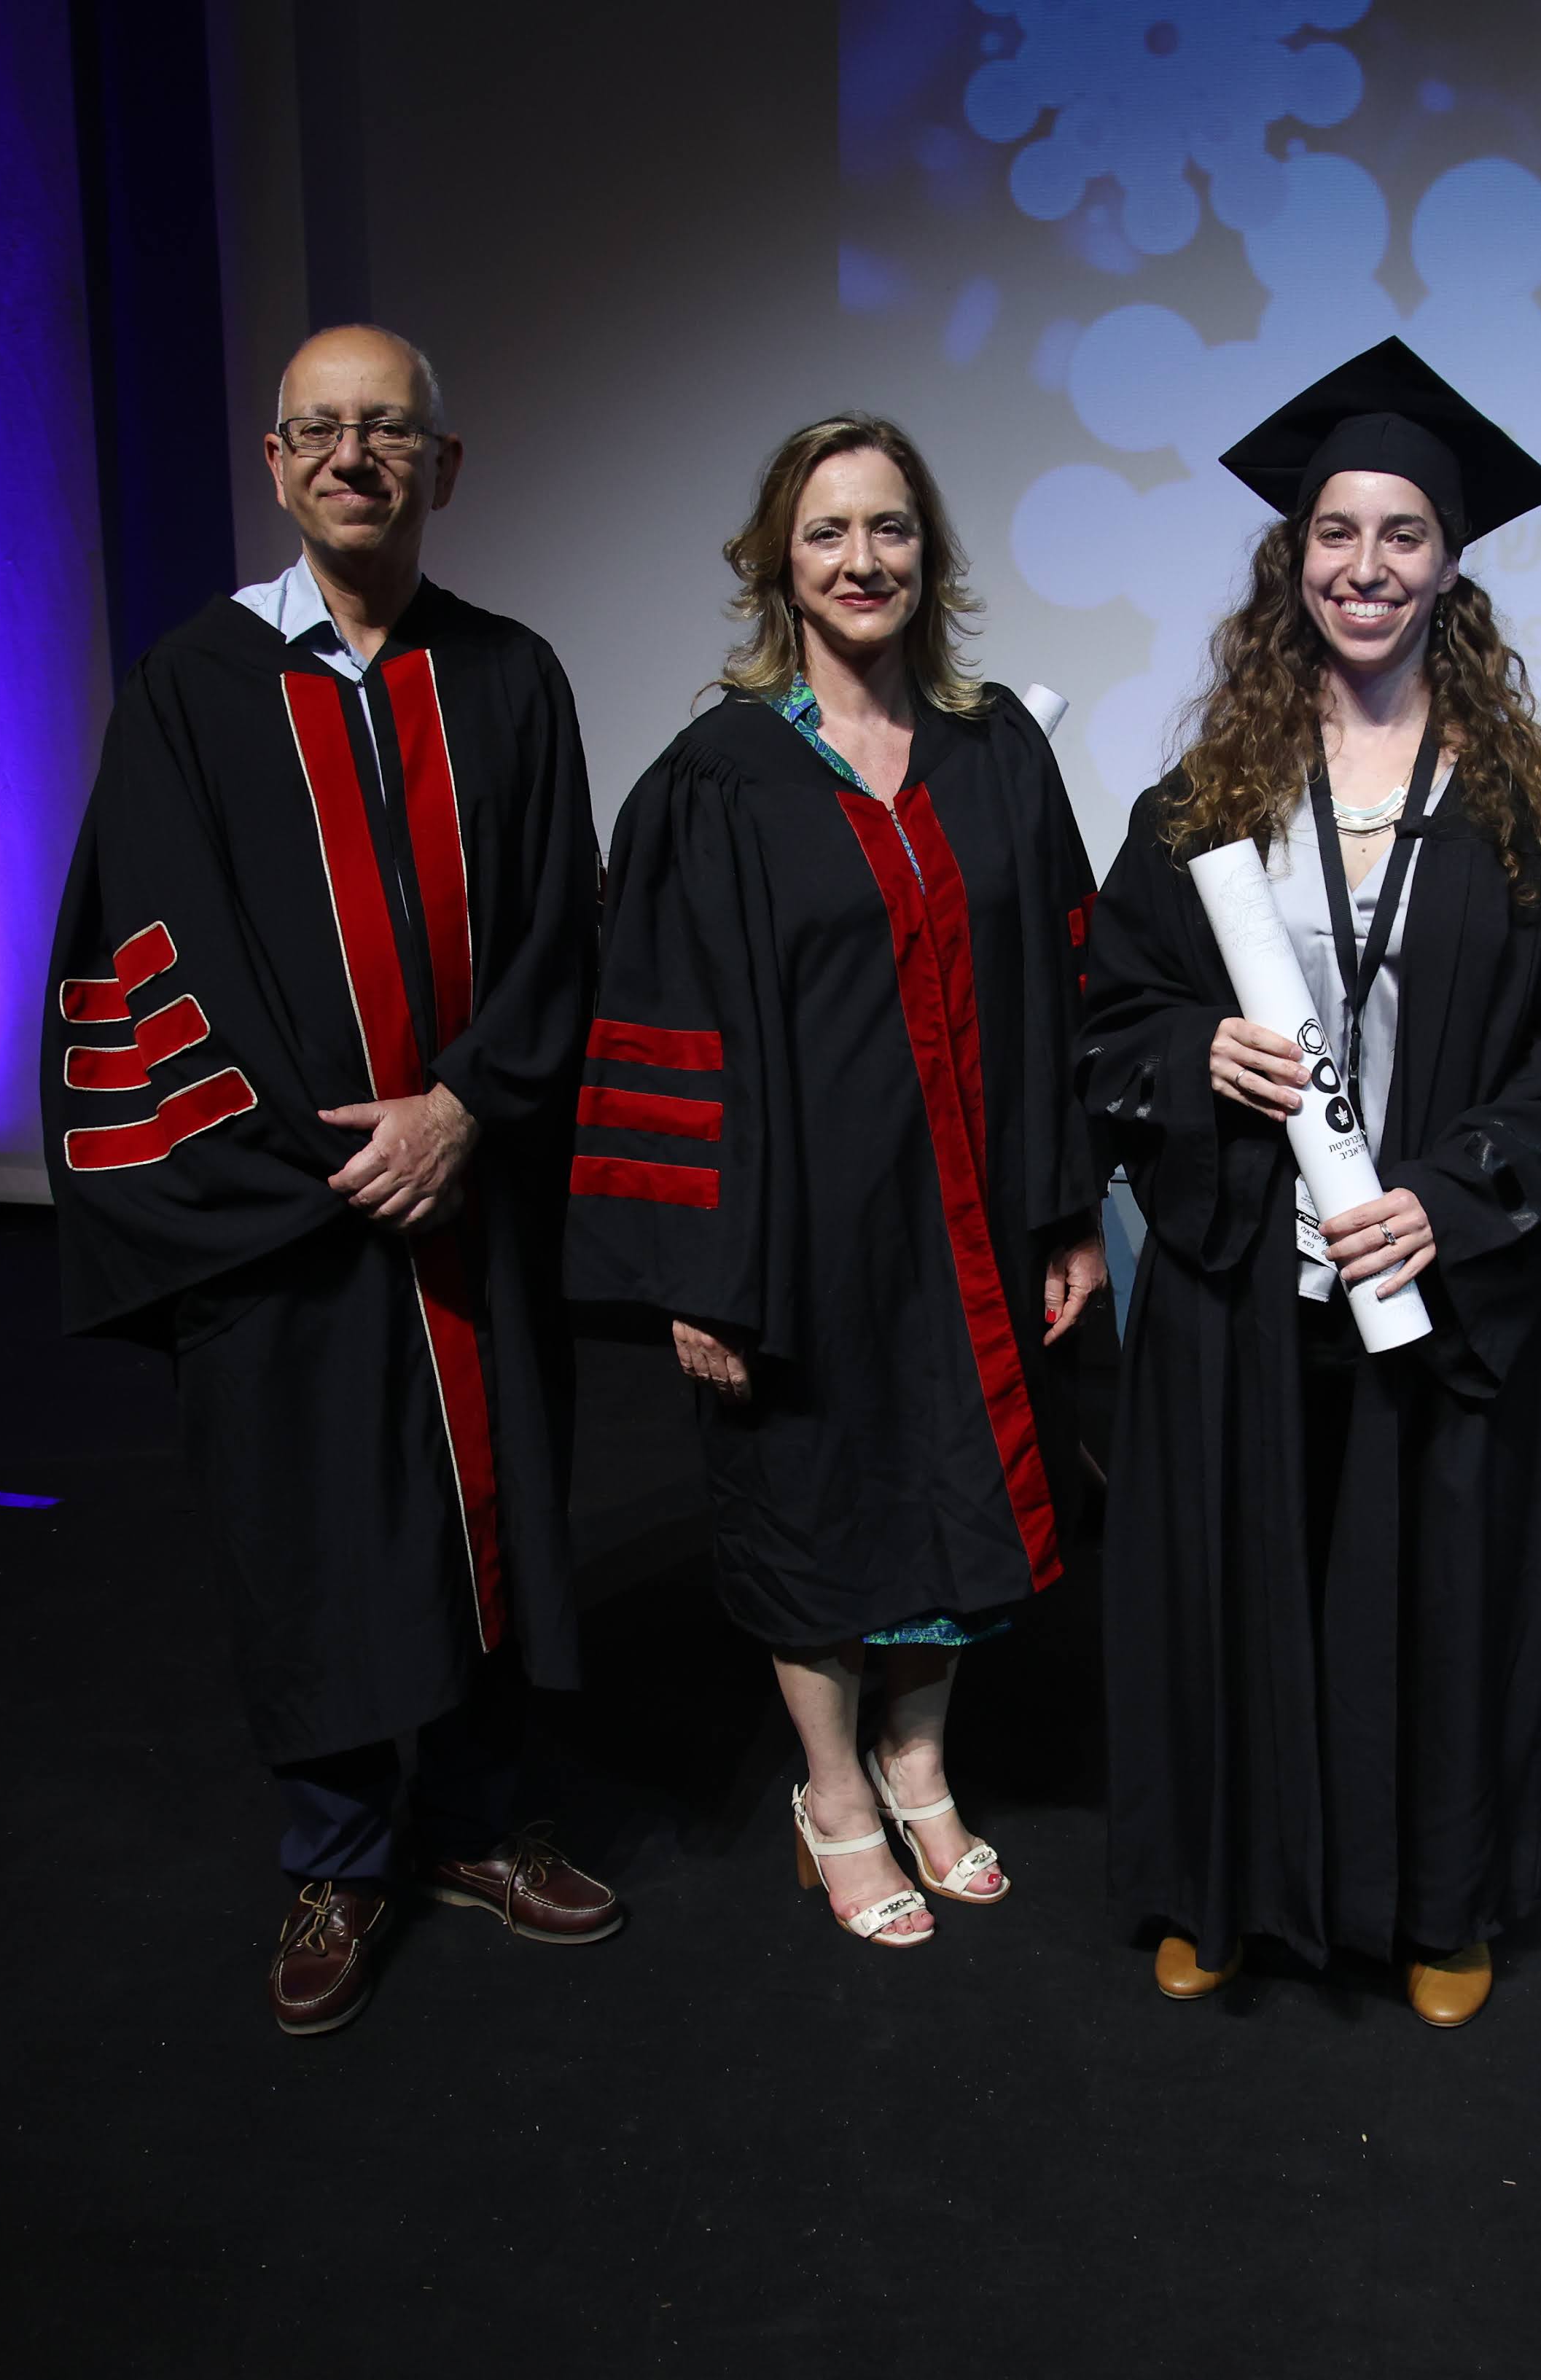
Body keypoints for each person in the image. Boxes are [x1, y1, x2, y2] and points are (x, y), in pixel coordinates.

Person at [42, 325, 617, 2038]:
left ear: (443, 468)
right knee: (304, 1517)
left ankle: (473, 1824)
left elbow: (557, 935)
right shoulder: (192, 685)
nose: (356, 457)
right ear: (277, 463)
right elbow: (152, 947)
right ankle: (336, 1851)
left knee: (490, 1498)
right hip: (282, 1198)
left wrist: (458, 1111)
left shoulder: (511, 676)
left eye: (390, 431)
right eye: (322, 431)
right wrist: (322, 1154)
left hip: (468, 1184)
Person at [1082, 339, 1541, 2028]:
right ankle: (1223, 1888)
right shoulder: (1205, 800)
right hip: (1247, 1270)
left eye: (1404, 534)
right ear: (1293, 557)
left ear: (1453, 563)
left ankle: (1434, 1899)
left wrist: (1451, 1203)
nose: (1367, 567)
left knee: (1440, 1592)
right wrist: (1195, 1063)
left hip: (1440, 1281)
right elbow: (1109, 1013)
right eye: (1338, 532)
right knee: (1232, 1577)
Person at [566, 415, 1106, 1949]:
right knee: (813, 1494)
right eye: (826, 534)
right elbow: (660, 1023)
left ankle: (922, 1761)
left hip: (976, 1208)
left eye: (888, 530)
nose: (859, 560)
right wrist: (696, 1271)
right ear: (774, 565)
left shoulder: (998, 752)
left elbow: (1059, 986)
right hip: (797, 1227)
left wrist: (1065, 1208)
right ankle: (833, 1794)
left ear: (928, 556)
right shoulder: (715, 780)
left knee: (958, 1485)